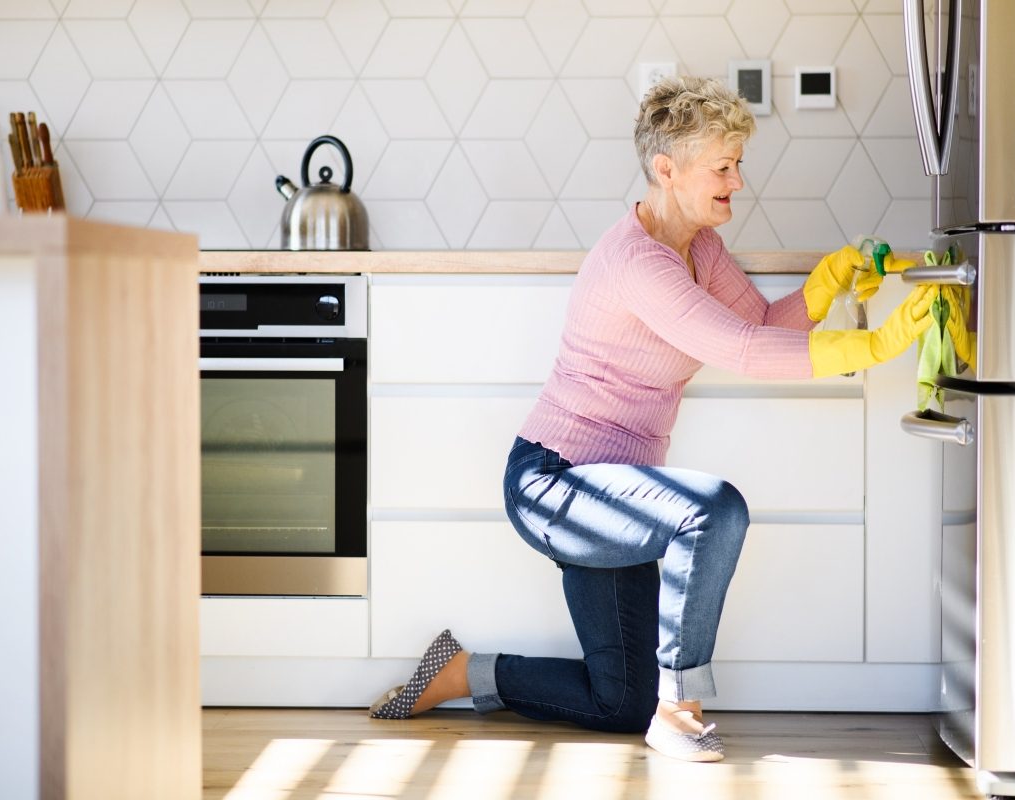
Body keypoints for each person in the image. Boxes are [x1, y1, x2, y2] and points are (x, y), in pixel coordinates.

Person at [367, 76, 939, 762]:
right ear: (666, 170)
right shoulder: (637, 261)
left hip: (617, 489)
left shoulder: (699, 248)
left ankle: (465, 672)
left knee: (619, 704)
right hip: (556, 481)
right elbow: (744, 350)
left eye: (738, 164)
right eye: (721, 167)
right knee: (715, 510)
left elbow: (756, 322)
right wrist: (872, 347)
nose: (737, 181)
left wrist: (830, 281)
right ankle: (680, 709)